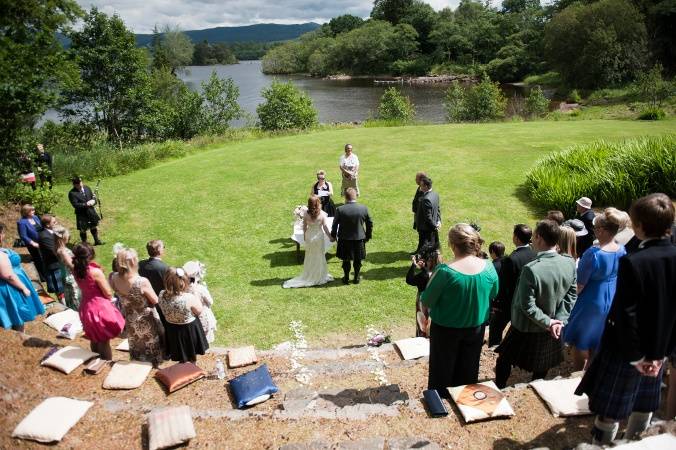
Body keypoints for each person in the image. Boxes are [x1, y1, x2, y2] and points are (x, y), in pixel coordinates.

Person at [575, 193, 676, 444]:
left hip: (626, 350)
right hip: (659, 349)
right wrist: (661, 353)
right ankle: (635, 444)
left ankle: (601, 446)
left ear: (639, 226)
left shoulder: (633, 262)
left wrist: (637, 357)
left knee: (609, 411)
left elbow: (625, 314)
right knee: (643, 404)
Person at [495, 220, 577, 388]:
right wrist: (558, 321)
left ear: (539, 238)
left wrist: (549, 322)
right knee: (544, 362)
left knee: (504, 359)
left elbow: (527, 305)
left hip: (526, 327)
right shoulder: (569, 262)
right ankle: (536, 386)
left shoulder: (531, 269)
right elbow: (571, 295)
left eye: (533, 237)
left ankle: (501, 388)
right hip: (553, 328)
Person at [421, 224, 498, 394]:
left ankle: (440, 406)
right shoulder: (489, 267)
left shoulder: (444, 272)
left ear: (453, 245)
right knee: (468, 370)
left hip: (445, 331)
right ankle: (464, 403)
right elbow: (493, 292)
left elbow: (426, 300)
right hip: (475, 330)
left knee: (441, 372)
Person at [564, 209, 627, 371]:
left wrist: (566, 303)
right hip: (611, 297)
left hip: (591, 301)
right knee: (597, 337)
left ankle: (578, 375)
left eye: (595, 228)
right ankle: (592, 371)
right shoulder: (621, 250)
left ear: (601, 230)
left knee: (581, 340)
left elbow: (579, 285)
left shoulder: (593, 253)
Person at [109, 247, 164, 367]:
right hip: (146, 319)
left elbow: (115, 291)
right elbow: (155, 300)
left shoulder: (113, 277)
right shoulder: (141, 281)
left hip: (129, 318)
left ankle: (137, 365)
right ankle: (153, 365)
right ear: (133, 262)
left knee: (136, 344)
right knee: (150, 344)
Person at [72, 243, 124, 360]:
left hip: (86, 306)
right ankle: (105, 364)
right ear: (90, 255)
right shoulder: (95, 272)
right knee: (104, 341)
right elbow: (108, 292)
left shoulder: (76, 269)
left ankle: (96, 360)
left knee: (93, 338)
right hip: (99, 308)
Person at [488, 224, 537, 347]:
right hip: (528, 300)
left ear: (516, 238)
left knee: (495, 329)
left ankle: (494, 349)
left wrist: (496, 304)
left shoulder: (511, 259)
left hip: (508, 303)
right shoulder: (535, 254)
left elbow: (504, 285)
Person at [0, 223, 45, 331]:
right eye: (1, 233)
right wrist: (23, 288)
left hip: (8, 286)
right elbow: (8, 275)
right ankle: (20, 338)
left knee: (12, 316)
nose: (3, 235)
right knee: (16, 316)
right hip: (10, 288)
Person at [158, 267, 209, 362]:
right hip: (188, 330)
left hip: (172, 329)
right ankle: (191, 370)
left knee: (179, 353)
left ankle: (182, 367)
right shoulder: (188, 298)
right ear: (183, 281)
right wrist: (195, 293)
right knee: (191, 354)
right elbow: (199, 310)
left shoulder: (161, 294)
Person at [284, 195, 334, 288]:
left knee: (310, 256)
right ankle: (319, 275)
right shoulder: (322, 214)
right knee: (319, 255)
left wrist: (304, 236)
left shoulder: (306, 214)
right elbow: (325, 227)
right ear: (318, 203)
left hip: (309, 236)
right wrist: (330, 237)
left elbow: (304, 227)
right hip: (318, 237)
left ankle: (310, 274)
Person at [330, 187, 373, 284]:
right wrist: (367, 236)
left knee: (346, 260)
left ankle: (346, 278)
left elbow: (335, 224)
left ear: (345, 197)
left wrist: (333, 236)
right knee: (358, 260)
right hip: (359, 239)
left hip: (344, 239)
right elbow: (370, 223)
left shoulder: (340, 209)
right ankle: (356, 277)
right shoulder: (363, 208)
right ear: (355, 196)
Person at [405, 243, 438, 337]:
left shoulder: (423, 276)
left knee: (422, 324)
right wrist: (424, 268)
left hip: (423, 301)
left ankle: (422, 339)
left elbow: (409, 280)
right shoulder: (439, 272)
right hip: (435, 300)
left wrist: (413, 266)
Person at [184, 260, 217, 343]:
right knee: (205, 338)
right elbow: (210, 302)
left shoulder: (183, 288)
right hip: (202, 314)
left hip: (189, 316)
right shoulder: (200, 289)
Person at [53, 225, 81, 310]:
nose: (69, 237)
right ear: (63, 237)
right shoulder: (63, 252)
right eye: (67, 235)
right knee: (75, 298)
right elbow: (72, 266)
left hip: (64, 274)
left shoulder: (58, 248)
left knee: (71, 298)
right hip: (70, 277)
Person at [68, 176, 103, 245]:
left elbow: (93, 198)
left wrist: (94, 201)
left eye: (80, 182)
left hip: (90, 211)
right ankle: (84, 244)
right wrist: (86, 204)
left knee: (93, 226)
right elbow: (75, 205)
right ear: (74, 184)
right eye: (77, 184)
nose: (80, 184)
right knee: (83, 230)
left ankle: (97, 241)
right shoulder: (72, 193)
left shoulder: (87, 188)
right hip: (81, 213)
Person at [16, 204, 46, 282]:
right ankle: (43, 277)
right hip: (33, 244)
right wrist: (33, 243)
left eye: (33, 210)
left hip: (42, 241)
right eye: (32, 210)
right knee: (39, 259)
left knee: (45, 257)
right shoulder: (22, 222)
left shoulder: (36, 217)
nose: (34, 211)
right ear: (26, 212)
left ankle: (47, 273)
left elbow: (42, 228)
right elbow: (23, 236)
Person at [37, 214, 63, 296]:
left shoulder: (53, 232)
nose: (56, 223)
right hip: (54, 266)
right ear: (48, 225)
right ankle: (65, 306)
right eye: (54, 222)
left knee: (65, 288)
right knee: (60, 291)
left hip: (59, 263)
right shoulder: (44, 236)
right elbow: (54, 251)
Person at [414, 176, 441, 254]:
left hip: (425, 227)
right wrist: (438, 221)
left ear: (426, 186)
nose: (420, 187)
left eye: (421, 185)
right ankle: (418, 252)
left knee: (424, 243)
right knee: (423, 242)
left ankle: (422, 258)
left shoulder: (426, 199)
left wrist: (435, 227)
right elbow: (438, 209)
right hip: (432, 225)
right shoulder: (435, 194)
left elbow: (428, 217)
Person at [411, 171, 427, 243]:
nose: (415, 180)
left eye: (416, 179)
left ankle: (421, 250)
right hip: (417, 214)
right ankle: (420, 249)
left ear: (421, 180)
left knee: (422, 234)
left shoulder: (424, 190)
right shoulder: (419, 187)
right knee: (420, 233)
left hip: (421, 217)